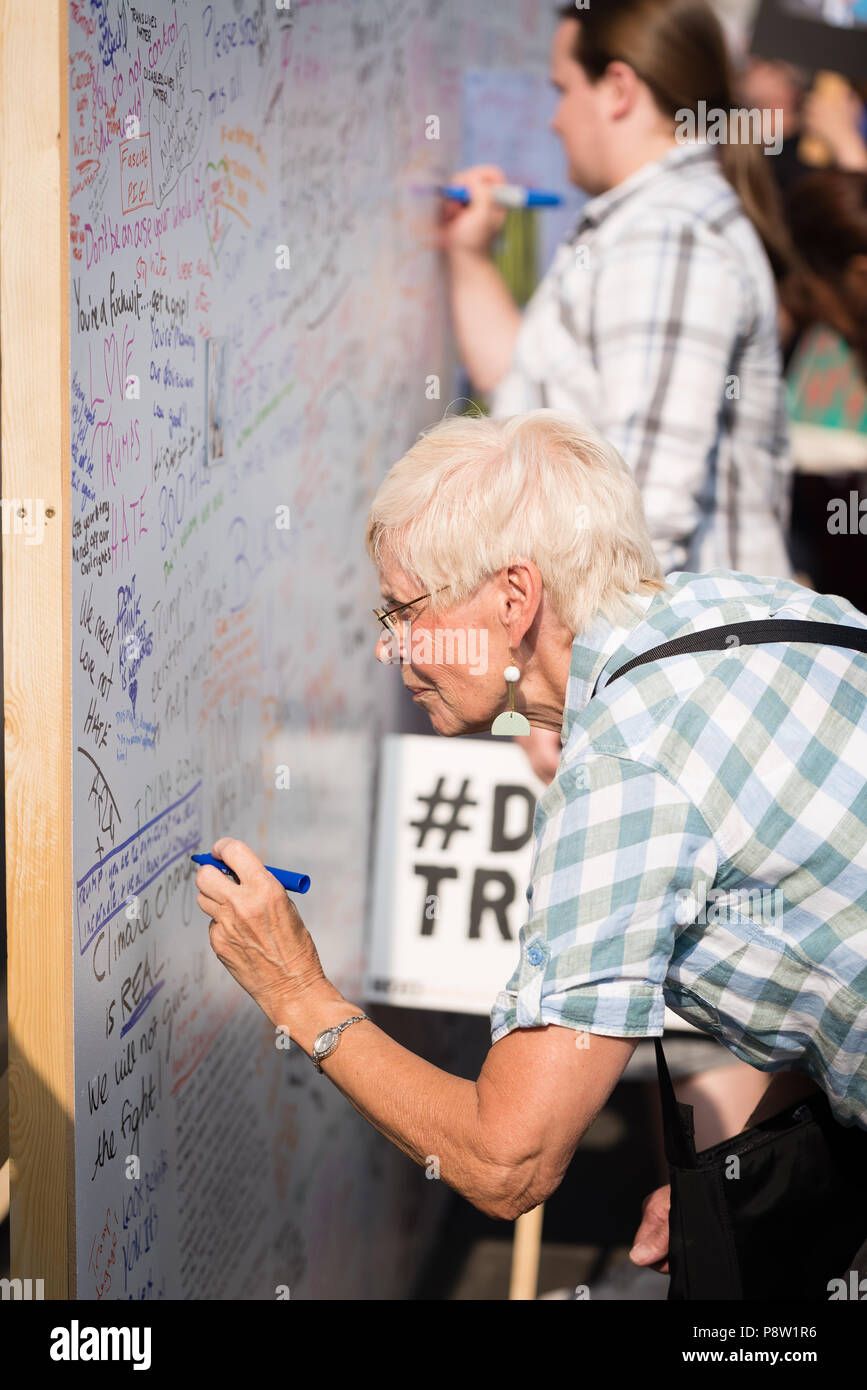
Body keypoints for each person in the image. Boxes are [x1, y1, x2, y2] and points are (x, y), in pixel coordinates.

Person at [196, 409, 867, 1290]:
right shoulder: (742, 608)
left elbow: (507, 1162)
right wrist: (754, 1161)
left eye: (405, 609)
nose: (387, 643)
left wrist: (294, 993)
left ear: (513, 599)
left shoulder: (625, 780)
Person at [442, 0, 794, 786]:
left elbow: (644, 504)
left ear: (619, 88)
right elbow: (526, 407)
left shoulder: (667, 234)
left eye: (562, 89)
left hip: (687, 694)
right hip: (672, 681)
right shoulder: (641, 225)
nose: (557, 120)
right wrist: (468, 261)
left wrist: (573, 691)